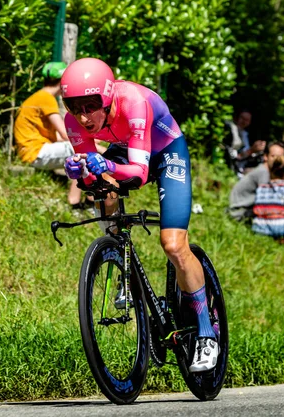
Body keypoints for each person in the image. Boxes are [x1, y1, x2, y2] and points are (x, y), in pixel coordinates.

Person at [59, 57, 218, 373]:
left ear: (107, 98)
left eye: (91, 105)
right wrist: (81, 172)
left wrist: (106, 167)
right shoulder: (73, 122)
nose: (83, 116)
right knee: (103, 187)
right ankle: (120, 261)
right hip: (126, 150)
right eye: (74, 106)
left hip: (166, 153)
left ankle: (205, 333)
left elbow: (139, 173)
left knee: (173, 245)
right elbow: (95, 177)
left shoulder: (134, 102)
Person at [14, 62, 82, 207]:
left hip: (30, 151)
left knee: (85, 149)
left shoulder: (38, 96)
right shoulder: (46, 98)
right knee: (82, 153)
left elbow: (56, 137)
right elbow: (65, 134)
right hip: (35, 153)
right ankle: (75, 203)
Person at [227, 141, 284, 222]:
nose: (277, 160)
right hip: (239, 213)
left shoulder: (265, 171)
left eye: (280, 157)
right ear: (266, 156)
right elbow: (266, 202)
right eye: (273, 156)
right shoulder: (263, 172)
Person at [223, 110, 266, 176]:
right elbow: (234, 157)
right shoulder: (231, 132)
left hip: (244, 169)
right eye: (242, 118)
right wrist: (251, 150)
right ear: (236, 118)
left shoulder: (246, 135)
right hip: (234, 171)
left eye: (247, 120)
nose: (244, 122)